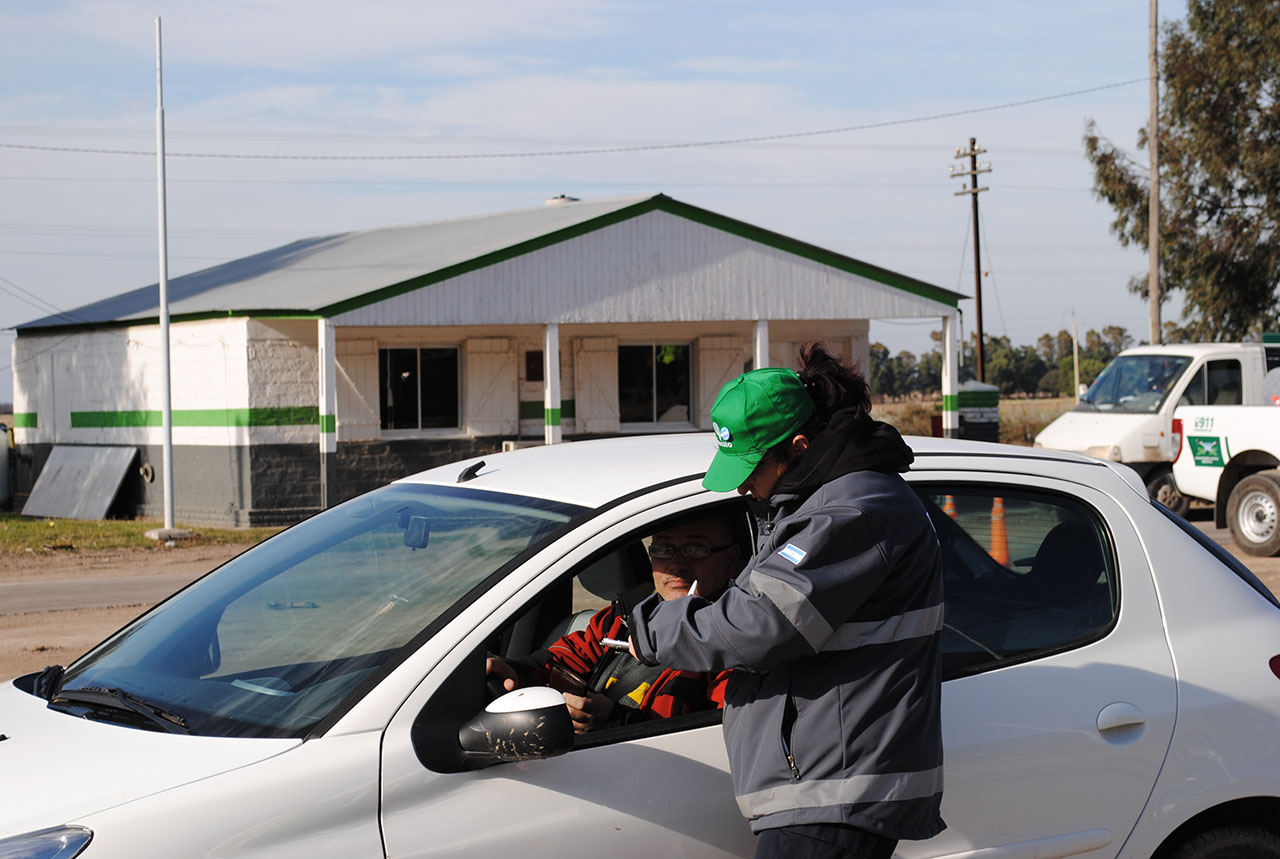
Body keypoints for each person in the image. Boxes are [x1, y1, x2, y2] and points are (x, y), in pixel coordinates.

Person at [629, 344, 945, 859]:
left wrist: (651, 630)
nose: (742, 487)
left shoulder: (854, 509)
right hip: (820, 789)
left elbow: (762, 622)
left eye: (751, 469)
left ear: (798, 447)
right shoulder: (811, 505)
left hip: (837, 794)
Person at [486, 513, 744, 734]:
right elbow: (565, 659)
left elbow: (710, 740)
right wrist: (515, 671)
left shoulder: (737, 643)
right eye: (664, 550)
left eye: (695, 550)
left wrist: (614, 721)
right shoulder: (625, 618)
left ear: (731, 560)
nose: (676, 565)